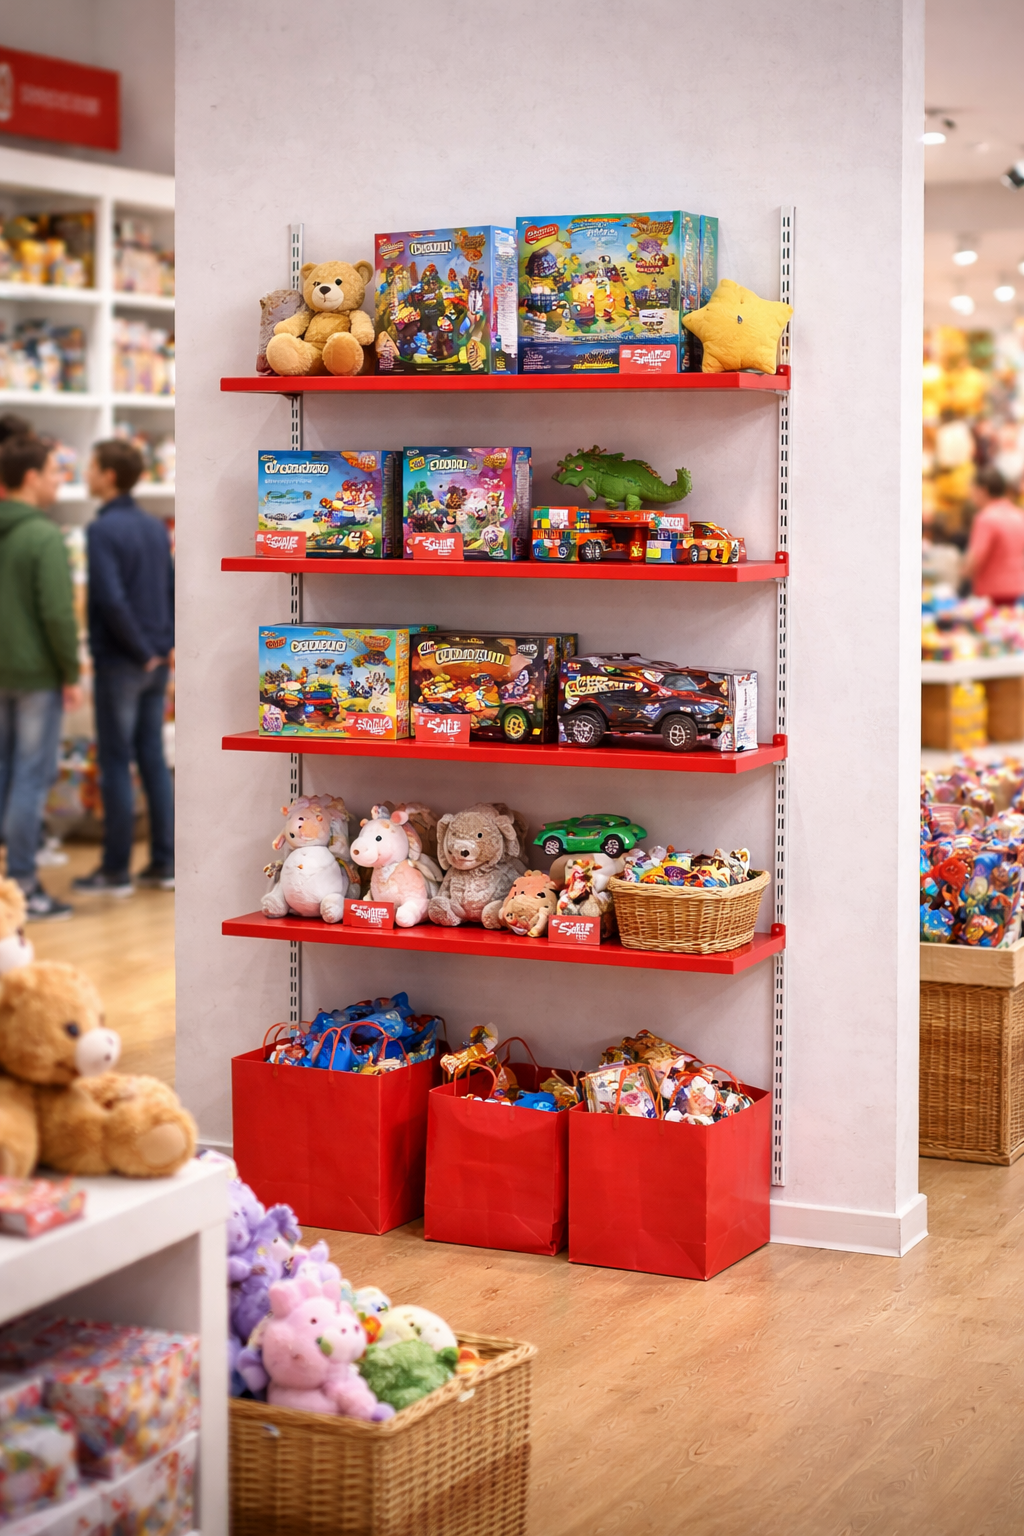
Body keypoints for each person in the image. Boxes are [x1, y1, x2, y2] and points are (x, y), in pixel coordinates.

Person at [73, 440, 175, 896]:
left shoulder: (102, 530)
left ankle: (115, 869)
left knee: (116, 761)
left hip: (123, 660)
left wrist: (139, 648)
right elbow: (172, 586)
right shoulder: (154, 527)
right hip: (154, 660)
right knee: (152, 758)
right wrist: (163, 646)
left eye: (91, 466)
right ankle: (164, 862)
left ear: (109, 474)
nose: (86, 473)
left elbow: (110, 598)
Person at [0, 436, 82, 920]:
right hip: (35, 675)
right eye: (55, 471)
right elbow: (57, 613)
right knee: (30, 781)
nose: (60, 480)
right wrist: (70, 671)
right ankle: (24, 887)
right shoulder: (42, 535)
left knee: (5, 774)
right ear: (30, 477)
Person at [965, 468, 1024, 605]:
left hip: (992, 590)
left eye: (973, 491)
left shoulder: (986, 518)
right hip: (1017, 587)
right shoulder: (1018, 515)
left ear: (983, 490)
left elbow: (976, 557)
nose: (971, 496)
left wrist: (963, 572)